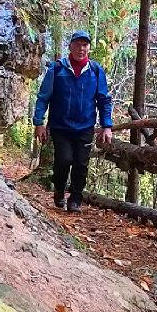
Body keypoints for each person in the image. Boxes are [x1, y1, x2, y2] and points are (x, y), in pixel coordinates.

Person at [33, 30, 113, 212]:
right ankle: (59, 190)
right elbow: (43, 97)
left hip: (85, 127)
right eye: (77, 44)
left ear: (89, 48)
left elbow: (104, 100)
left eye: (85, 45)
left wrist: (107, 126)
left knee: (81, 164)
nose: (81, 49)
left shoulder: (95, 71)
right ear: (70, 46)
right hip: (60, 126)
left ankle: (75, 199)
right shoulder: (57, 69)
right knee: (63, 160)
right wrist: (39, 122)